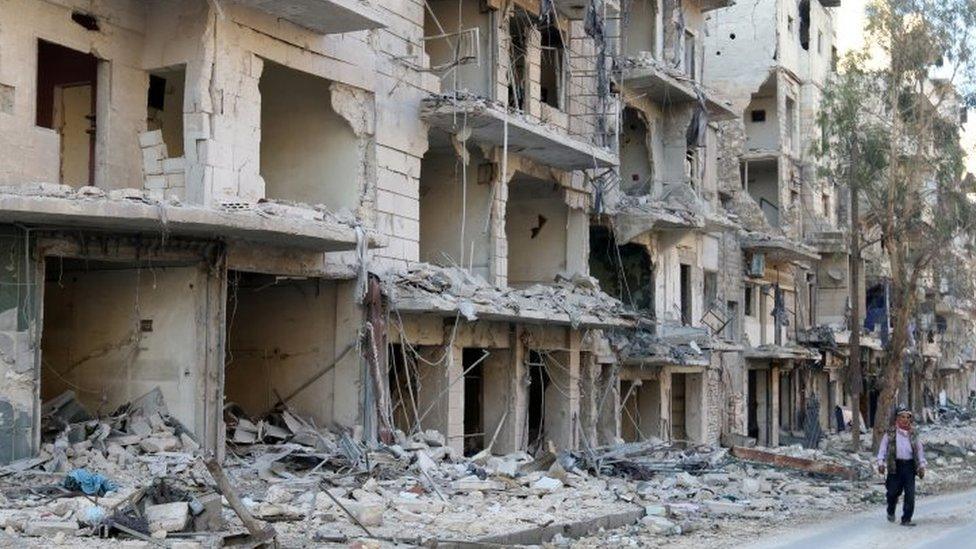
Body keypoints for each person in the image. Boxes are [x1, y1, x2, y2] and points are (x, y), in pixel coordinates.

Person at [876, 406, 927, 526]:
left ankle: (906, 519)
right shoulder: (891, 433)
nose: (905, 420)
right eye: (902, 417)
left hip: (909, 467)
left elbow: (919, 450)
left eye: (907, 417)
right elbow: (882, 449)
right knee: (892, 493)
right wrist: (880, 463)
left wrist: (922, 465)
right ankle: (891, 509)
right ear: (897, 418)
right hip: (895, 466)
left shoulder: (913, 433)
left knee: (910, 494)